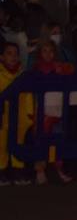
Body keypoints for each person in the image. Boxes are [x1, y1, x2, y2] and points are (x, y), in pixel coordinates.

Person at [28, 39, 74, 185]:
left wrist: (63, 69)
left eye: (51, 51)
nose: (48, 54)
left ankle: (58, 169)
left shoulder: (60, 67)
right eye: (45, 51)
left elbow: (73, 69)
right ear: (40, 53)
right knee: (41, 140)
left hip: (57, 109)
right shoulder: (36, 68)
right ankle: (40, 170)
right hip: (43, 111)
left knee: (57, 141)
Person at [0, 42, 32, 184]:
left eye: (15, 54)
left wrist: (30, 115)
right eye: (9, 53)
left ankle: (18, 170)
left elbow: (29, 96)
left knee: (19, 142)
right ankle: (2, 170)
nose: (13, 57)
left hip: (21, 119)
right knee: (1, 144)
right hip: (3, 117)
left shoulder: (23, 76)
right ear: (2, 57)